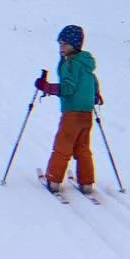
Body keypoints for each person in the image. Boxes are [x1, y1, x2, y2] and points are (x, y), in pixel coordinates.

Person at [35, 23, 99, 195]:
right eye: (60, 43)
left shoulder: (71, 64)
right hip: (86, 114)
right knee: (82, 148)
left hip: (72, 114)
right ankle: (86, 183)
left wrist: (47, 87)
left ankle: (54, 179)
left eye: (65, 44)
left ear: (75, 45)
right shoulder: (86, 63)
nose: (61, 48)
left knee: (63, 146)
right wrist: (95, 96)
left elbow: (68, 88)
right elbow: (93, 82)